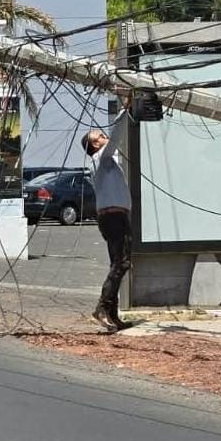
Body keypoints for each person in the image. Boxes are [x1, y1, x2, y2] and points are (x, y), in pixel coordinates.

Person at [81, 103, 137, 332]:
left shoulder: (106, 163)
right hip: (113, 216)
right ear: (95, 144)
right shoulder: (101, 159)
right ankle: (102, 308)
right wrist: (126, 111)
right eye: (100, 135)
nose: (104, 136)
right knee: (121, 263)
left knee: (120, 263)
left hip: (115, 215)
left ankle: (112, 315)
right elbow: (116, 136)